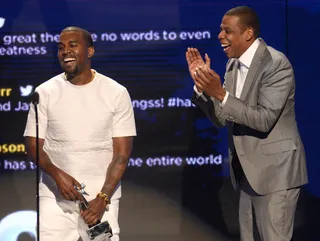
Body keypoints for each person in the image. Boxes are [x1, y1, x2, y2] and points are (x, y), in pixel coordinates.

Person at [186, 6, 308, 241]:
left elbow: (263, 119)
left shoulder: (275, 64)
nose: (220, 36)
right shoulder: (233, 65)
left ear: (248, 33)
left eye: (227, 31)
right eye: (221, 30)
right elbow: (223, 118)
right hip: (246, 175)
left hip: (275, 174)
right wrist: (204, 87)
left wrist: (220, 94)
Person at [24, 26, 136, 241]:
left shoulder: (116, 93)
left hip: (102, 200)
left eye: (72, 45)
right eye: (60, 47)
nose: (65, 51)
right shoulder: (44, 93)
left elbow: (121, 155)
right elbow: (32, 147)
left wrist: (102, 198)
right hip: (54, 198)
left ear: (90, 51)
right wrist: (58, 176)